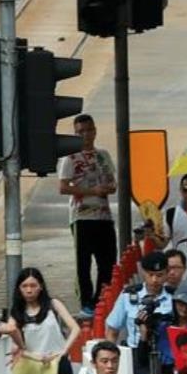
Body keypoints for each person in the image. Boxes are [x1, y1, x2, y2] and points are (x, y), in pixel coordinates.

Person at [59, 115, 118, 316]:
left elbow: (113, 184)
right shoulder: (70, 158)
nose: (85, 135)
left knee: (107, 261)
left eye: (89, 130)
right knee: (83, 264)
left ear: (95, 131)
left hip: (104, 216)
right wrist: (92, 191)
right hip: (81, 217)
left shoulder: (103, 155)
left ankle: (100, 299)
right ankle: (86, 302)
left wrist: (106, 188)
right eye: (80, 132)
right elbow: (63, 187)